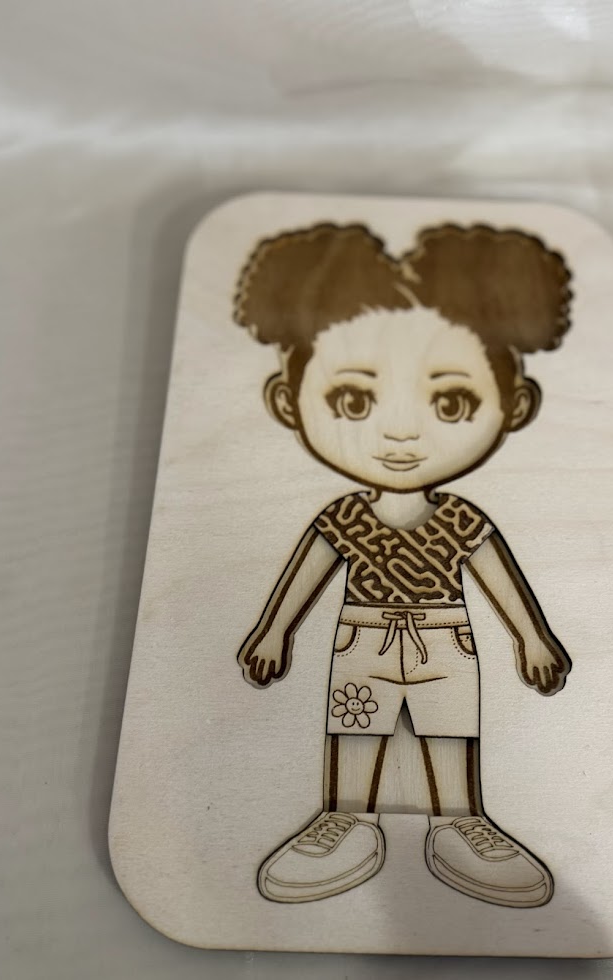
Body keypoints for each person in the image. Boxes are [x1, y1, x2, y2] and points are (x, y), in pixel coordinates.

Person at [234, 222, 572, 907]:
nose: (399, 432)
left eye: (450, 402)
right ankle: (346, 816)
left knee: (451, 729)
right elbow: (305, 577)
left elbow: (499, 582)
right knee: (354, 727)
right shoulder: (343, 518)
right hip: (361, 637)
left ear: (515, 407)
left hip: (447, 639)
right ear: (286, 403)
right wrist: (273, 631)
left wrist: (533, 638)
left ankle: (461, 821)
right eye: (353, 401)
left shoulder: (463, 521)